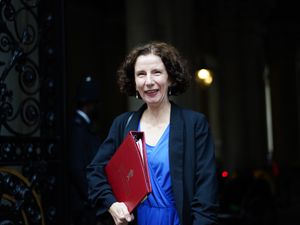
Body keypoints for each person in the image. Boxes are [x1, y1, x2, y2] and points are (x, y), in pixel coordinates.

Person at [86, 42, 219, 225]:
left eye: (156, 72)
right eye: (141, 74)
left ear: (171, 78)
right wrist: (112, 204)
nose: (148, 82)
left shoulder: (194, 125)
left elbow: (206, 192)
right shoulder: (122, 124)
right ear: (134, 82)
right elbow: (95, 172)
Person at [69, 75, 102, 225]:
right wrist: (92, 196)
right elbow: (77, 167)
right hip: (83, 204)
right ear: (90, 103)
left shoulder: (83, 125)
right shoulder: (79, 128)